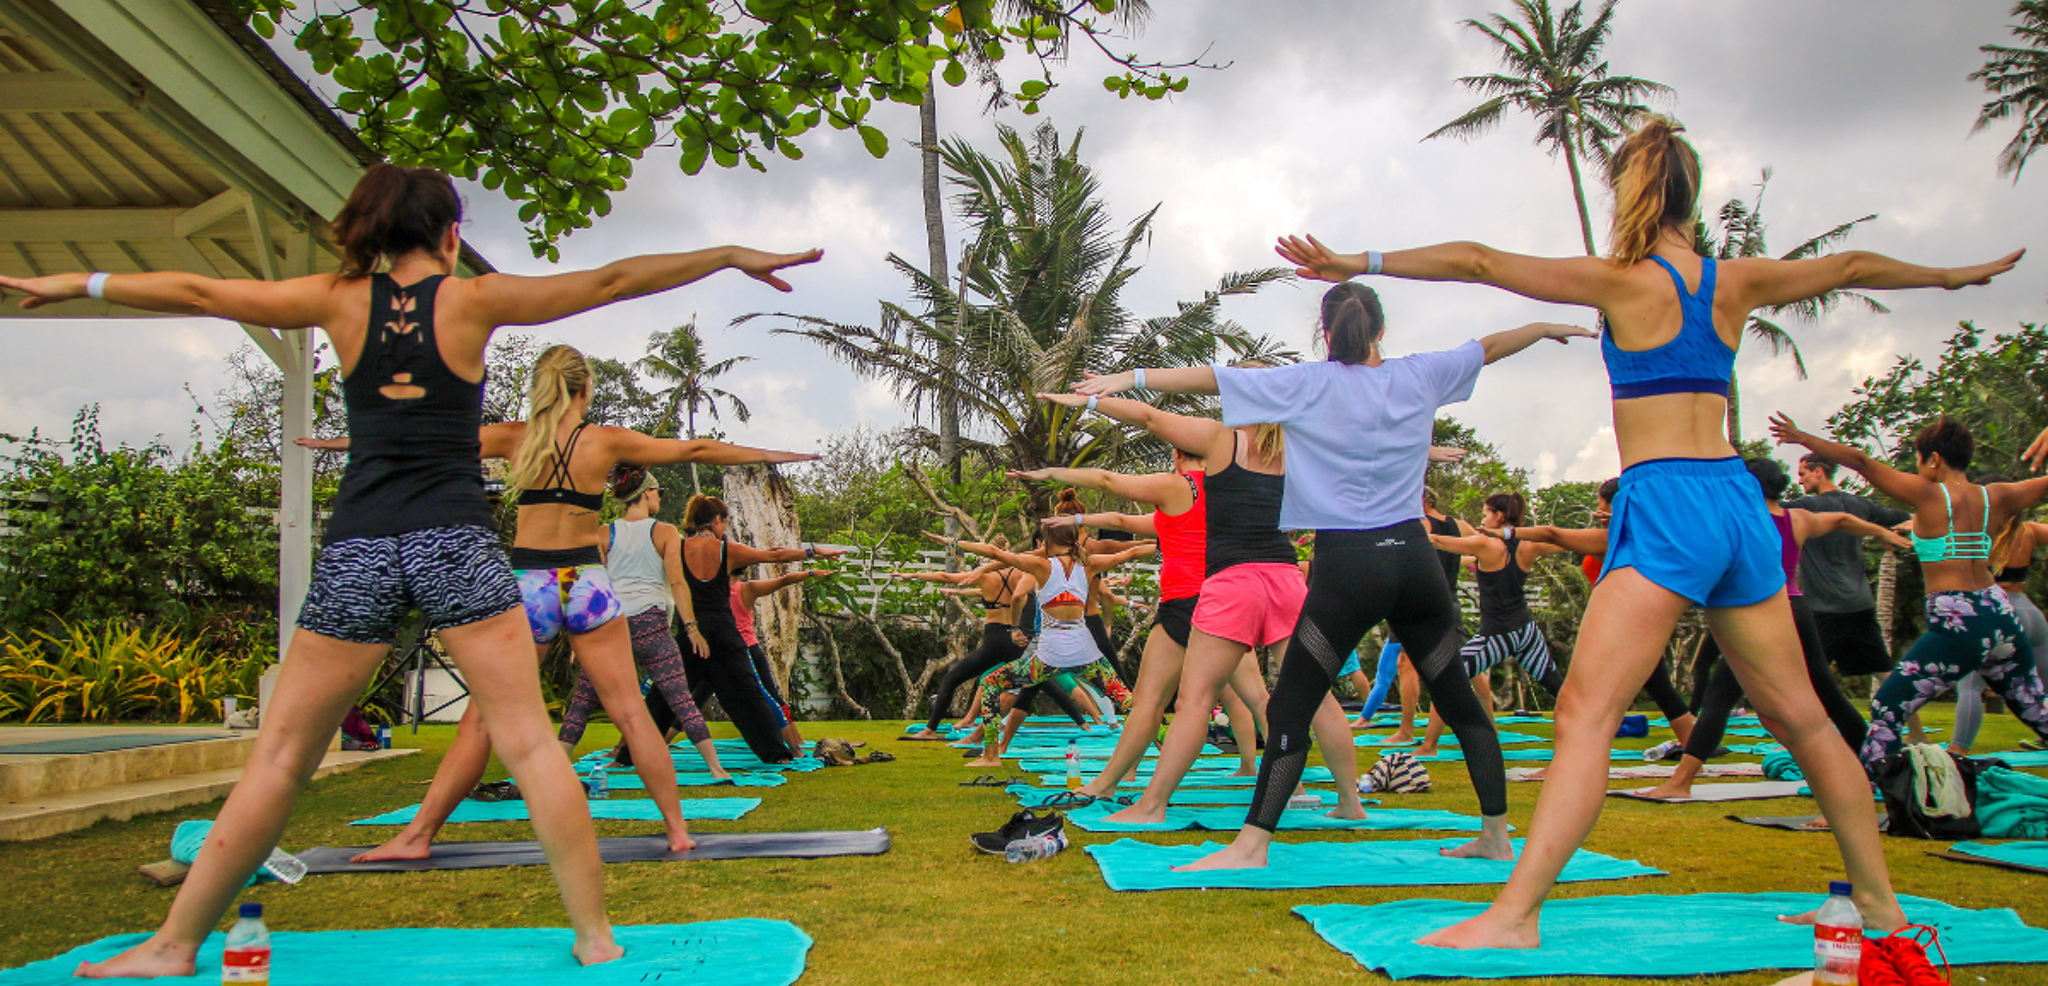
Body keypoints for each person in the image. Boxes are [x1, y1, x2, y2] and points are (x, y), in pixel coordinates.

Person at [0, 163, 822, 976]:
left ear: (373, 233)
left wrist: (83, 280)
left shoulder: (336, 298)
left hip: (361, 544)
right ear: (452, 234)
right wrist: (726, 254)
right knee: (532, 744)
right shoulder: (471, 300)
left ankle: (173, 944)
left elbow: (203, 295)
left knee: (282, 754)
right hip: (455, 546)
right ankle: (595, 934)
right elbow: (610, 278)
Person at [1273, 113, 2019, 946]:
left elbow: (1480, 262)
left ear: (1631, 188)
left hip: (1668, 502)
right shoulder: (1733, 281)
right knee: (1806, 718)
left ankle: (1514, 915)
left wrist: (1357, 261)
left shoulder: (1621, 281)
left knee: (1585, 717)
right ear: (1690, 193)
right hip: (1739, 503)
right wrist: (1950, 276)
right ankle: (1880, 906)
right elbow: (1846, 264)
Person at [1073, 290, 1587, 862]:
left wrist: (1130, 376)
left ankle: (1251, 845)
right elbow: (1489, 347)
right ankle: (1495, 836)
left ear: (1325, 331)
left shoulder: (1310, 383)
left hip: (1351, 566)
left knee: (1291, 706)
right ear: (1381, 325)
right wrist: (1541, 325)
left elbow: (1212, 380)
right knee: (1460, 700)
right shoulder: (1420, 374)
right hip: (1415, 564)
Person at [334, 345, 817, 862]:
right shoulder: (603, 442)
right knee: (632, 713)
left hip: (530, 584)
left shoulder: (515, 438)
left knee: (482, 718)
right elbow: (694, 450)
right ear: (585, 389)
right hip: (585, 582)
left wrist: (342, 441)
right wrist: (775, 454)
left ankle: (419, 833)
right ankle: (676, 830)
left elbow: (421, 445)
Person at [1035, 383, 1369, 827]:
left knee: (1188, 701)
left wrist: (1092, 401)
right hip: (1286, 580)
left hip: (1225, 590)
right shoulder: (1294, 452)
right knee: (1306, 696)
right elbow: (1356, 454)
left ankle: (1145, 800)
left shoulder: (1217, 454)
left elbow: (1142, 434)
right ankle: (1345, 800)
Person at [1772, 415, 2048, 768]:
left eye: (1919, 458)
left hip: (1958, 621)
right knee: (2036, 709)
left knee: (1888, 707)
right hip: (2000, 615)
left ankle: (1876, 798)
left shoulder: (1927, 493)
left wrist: (1802, 436)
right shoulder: (1996, 495)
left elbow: (1862, 461)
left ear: (1933, 459)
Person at [1639, 456, 1910, 800]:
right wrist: (1882, 531)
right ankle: (1880, 770)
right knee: (1830, 697)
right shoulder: (1796, 518)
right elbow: (1842, 518)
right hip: (1797, 611)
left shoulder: (1741, 520)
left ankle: (1681, 783)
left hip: (1758, 614)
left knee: (1720, 697)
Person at [1010, 459, 1263, 795]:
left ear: (1176, 456)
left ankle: (1119, 779)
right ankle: (1283, 780)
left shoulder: (1177, 497)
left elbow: (1116, 514)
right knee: (1247, 696)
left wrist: (1077, 518)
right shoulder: (1228, 497)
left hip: (1185, 603)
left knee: (1148, 702)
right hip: (1224, 601)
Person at [933, 497, 1146, 767]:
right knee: (1132, 705)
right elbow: (1130, 552)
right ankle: (1166, 746)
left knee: (990, 684)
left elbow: (996, 554)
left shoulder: (1042, 566)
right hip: (1086, 655)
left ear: (1047, 540)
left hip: (1047, 659)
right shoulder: (1089, 564)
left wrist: (952, 542)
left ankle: (991, 756)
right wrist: (1174, 542)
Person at [1503, 478, 1697, 747]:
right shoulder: (1622, 536)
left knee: (1587, 693)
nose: (1596, 512)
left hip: (1628, 623)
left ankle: (1575, 756)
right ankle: (1694, 743)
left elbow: (1552, 534)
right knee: (1657, 686)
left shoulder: (1620, 539)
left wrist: (1507, 533)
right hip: (1624, 623)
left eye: (1601, 506)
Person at [678, 495, 844, 762]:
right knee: (758, 697)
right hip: (729, 643)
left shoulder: (680, 548)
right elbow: (777, 560)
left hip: (694, 633)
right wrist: (812, 556)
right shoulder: (736, 569)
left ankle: (626, 752)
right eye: (724, 522)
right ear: (718, 520)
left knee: (675, 694)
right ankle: (784, 751)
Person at [1417, 492, 1570, 756]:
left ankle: (1429, 747)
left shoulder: (1487, 545)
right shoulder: (1527, 544)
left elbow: (1438, 541)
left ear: (1498, 516)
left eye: (1486, 513)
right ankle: (1600, 729)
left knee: (1447, 678)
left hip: (1499, 634)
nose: (1482, 518)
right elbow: (1561, 542)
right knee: (1559, 687)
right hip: (1526, 631)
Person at [1790, 453, 1921, 740]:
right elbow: (1899, 516)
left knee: (1804, 677)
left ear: (1819, 472)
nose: (1799, 479)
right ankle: (1918, 735)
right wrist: (1918, 519)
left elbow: (1771, 509)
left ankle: (1813, 739)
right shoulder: (1859, 504)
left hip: (1824, 607)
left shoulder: (1806, 507)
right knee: (1884, 671)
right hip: (1860, 603)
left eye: (1803, 473)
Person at [1951, 499, 2048, 753]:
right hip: (2030, 613)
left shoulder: (1980, 535)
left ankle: (1958, 750)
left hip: (1999, 610)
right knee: (2043, 682)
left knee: (1970, 685)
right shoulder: (2028, 530)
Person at [731, 566, 829, 752]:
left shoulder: (742, 589)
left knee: (767, 696)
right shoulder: (741, 588)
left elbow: (783, 579)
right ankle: (796, 742)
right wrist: (809, 572)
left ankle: (795, 748)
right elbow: (784, 578)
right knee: (772, 695)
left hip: (741, 651)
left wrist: (809, 572)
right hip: (747, 649)